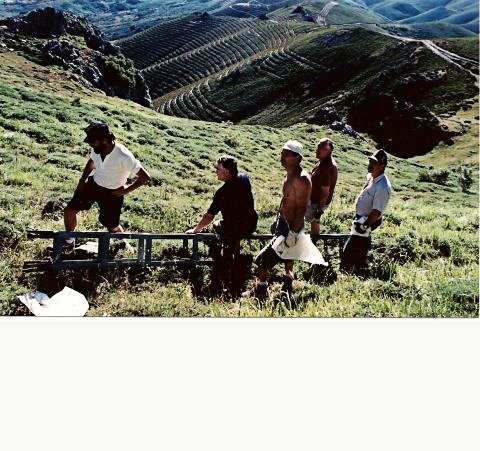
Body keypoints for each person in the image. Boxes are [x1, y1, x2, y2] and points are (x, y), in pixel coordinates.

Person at [243, 140, 326, 301]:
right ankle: (287, 285)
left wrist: (293, 233)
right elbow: (287, 200)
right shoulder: (290, 174)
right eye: (282, 153)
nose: (282, 157)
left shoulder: (302, 179)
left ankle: (261, 289)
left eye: (287, 154)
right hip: (284, 222)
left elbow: (301, 208)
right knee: (288, 256)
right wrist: (278, 218)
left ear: (298, 157)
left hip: (290, 226)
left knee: (262, 260)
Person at [63, 122, 150, 252]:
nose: (90, 144)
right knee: (69, 211)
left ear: (104, 140)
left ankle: (123, 244)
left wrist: (125, 191)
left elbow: (145, 177)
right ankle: (69, 242)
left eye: (93, 141)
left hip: (112, 193)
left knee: (112, 226)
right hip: (94, 185)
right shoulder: (97, 149)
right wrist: (82, 181)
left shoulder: (123, 156)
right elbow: (92, 162)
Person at [340, 148, 391, 275]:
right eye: (370, 161)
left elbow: (376, 213)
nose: (370, 164)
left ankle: (352, 272)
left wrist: (364, 226)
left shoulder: (382, 187)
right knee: (357, 247)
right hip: (361, 219)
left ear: (382, 166)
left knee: (353, 249)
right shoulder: (372, 177)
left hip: (366, 222)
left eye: (374, 163)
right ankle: (357, 269)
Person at [186, 155, 258, 240]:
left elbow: (209, 217)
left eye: (218, 169)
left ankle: (221, 246)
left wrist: (196, 230)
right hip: (251, 226)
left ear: (227, 172)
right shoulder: (244, 178)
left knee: (216, 224)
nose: (216, 171)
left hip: (235, 230)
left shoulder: (222, 193)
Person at [305, 137, 338, 236]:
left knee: (302, 217)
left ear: (330, 151)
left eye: (322, 148)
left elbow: (325, 193)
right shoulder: (322, 161)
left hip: (317, 202)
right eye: (318, 147)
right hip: (314, 200)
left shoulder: (326, 168)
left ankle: (298, 239)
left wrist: (319, 210)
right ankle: (313, 240)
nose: (318, 150)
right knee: (314, 221)